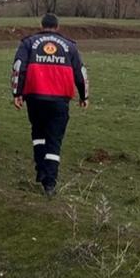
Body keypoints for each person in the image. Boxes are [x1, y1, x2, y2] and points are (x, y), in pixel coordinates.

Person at [11, 13, 88, 197]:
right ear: (58, 27)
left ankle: (40, 170)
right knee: (54, 140)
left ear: (41, 25)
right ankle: (50, 183)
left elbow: (18, 67)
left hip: (35, 98)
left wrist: (17, 93)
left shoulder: (28, 43)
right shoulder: (70, 46)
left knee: (38, 133)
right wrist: (84, 96)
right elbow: (81, 72)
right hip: (60, 100)